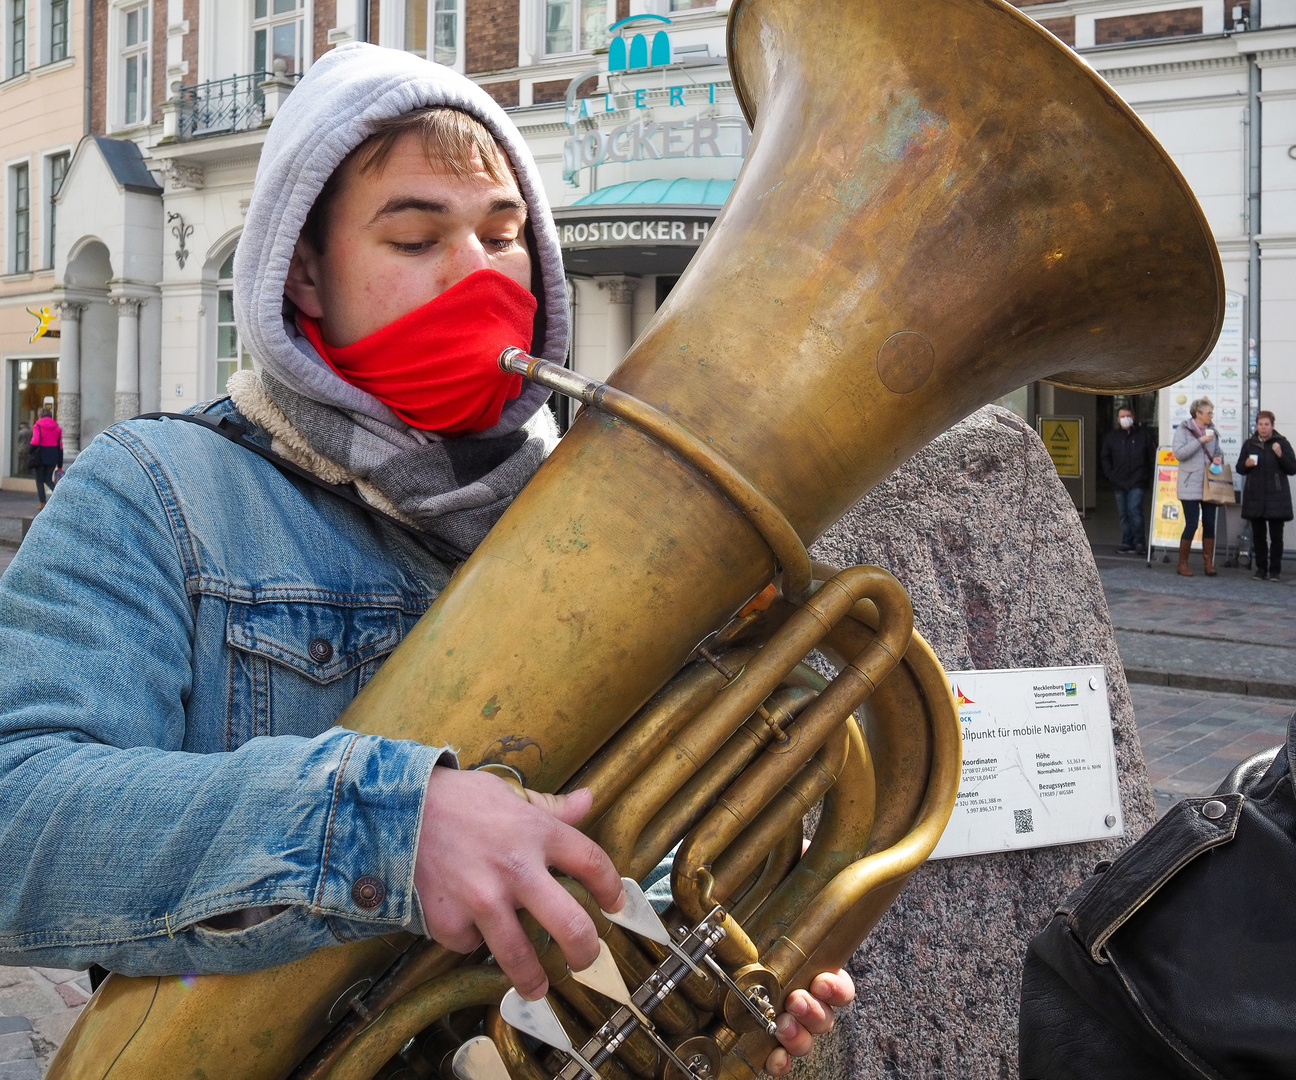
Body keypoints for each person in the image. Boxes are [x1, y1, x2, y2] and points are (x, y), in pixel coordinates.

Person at [0, 45, 845, 1074]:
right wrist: (385, 826)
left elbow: (647, 871)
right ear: (300, 272)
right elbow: (18, 818)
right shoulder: (154, 489)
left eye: (504, 234)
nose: (478, 274)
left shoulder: (604, 521)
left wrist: (712, 993)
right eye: (415, 236)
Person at [1236, 410, 1295, 581]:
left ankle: (1275, 570)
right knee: (1259, 536)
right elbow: (1240, 468)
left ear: (1272, 426)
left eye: (1266, 424)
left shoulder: (1281, 443)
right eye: (1260, 424)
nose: (1263, 428)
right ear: (1256, 425)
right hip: (1255, 497)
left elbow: (1292, 469)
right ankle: (1261, 569)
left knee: (1276, 536)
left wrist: (1280, 455)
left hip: (1276, 497)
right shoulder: (1249, 444)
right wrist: (1246, 464)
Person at [1171, 397, 1223, 577]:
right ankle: (1182, 563)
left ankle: (1208, 563)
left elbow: (1218, 452)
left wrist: (1218, 458)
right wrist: (1200, 440)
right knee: (1192, 524)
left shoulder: (1213, 431)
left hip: (1210, 485)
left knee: (1209, 524)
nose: (1211, 416)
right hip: (1189, 485)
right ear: (1198, 414)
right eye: (1208, 413)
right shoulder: (1183, 430)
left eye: (1211, 413)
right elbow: (1179, 453)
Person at [1100, 405, 1155, 555]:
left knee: (1134, 510)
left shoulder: (1143, 435)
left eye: (1128, 416)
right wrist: (1110, 474)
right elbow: (1105, 457)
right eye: (1122, 416)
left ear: (1134, 417)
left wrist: (1148, 476)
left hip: (1138, 480)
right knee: (1123, 513)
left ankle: (1139, 542)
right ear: (1117, 419)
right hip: (1118, 481)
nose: (1125, 419)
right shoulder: (1112, 437)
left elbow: (1151, 457)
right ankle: (1127, 542)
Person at [27, 407, 62, 507]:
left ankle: (42, 502)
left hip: (40, 456)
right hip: (53, 456)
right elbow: (60, 446)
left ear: (40, 415)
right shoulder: (57, 428)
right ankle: (61, 496)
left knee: (39, 480)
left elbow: (35, 441)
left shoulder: (37, 426)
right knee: (48, 479)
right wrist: (60, 464)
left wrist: (29, 451)